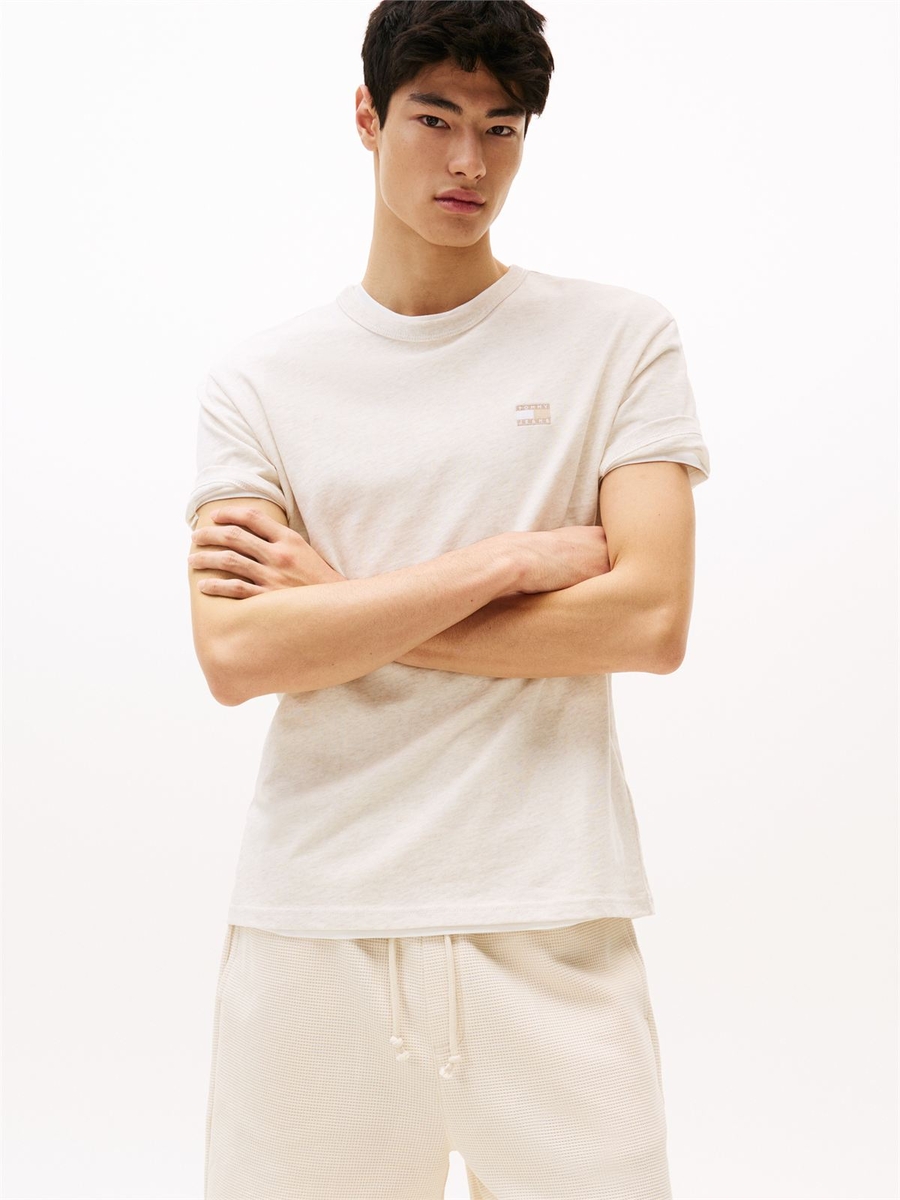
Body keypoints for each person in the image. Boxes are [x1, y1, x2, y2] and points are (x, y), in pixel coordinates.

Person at [185, 3, 710, 1197]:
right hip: (316, 922)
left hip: (551, 915)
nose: (469, 161)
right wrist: (505, 563)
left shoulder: (618, 343)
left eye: (501, 127)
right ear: (367, 119)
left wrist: (342, 610)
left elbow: (649, 622)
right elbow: (238, 653)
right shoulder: (259, 383)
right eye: (434, 119)